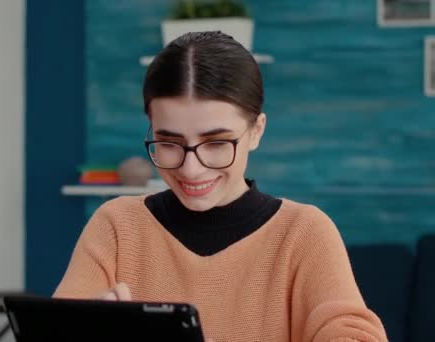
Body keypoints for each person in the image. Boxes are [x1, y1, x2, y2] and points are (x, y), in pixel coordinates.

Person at [54, 31, 387, 342]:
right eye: (169, 143)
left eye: (215, 143)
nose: (191, 168)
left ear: (256, 130)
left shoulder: (303, 233)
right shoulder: (116, 226)